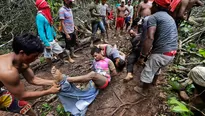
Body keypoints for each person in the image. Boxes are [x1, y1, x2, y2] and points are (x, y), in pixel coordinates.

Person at [0, 33, 60, 116]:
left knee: (25, 107)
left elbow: (33, 79)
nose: (36, 59)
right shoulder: (8, 71)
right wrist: (49, 91)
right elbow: (22, 95)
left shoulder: (21, 62)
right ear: (22, 53)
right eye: (35, 56)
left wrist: (55, 82)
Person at [51, 46, 117, 115]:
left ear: (100, 53)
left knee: (92, 74)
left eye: (96, 55)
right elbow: (94, 70)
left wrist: (108, 76)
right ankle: (64, 81)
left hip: (104, 80)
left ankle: (66, 78)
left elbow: (114, 73)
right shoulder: (94, 62)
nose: (95, 57)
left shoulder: (108, 61)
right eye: (93, 56)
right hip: (96, 80)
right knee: (84, 89)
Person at [134, 0, 178, 96]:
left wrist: (142, 55)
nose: (151, 7)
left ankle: (144, 90)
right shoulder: (170, 18)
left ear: (157, 5)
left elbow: (150, 38)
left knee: (149, 68)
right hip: (172, 52)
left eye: (153, 4)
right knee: (157, 65)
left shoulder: (154, 17)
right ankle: (154, 82)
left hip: (163, 52)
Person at [35, 0, 67, 65]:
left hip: (51, 39)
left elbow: (50, 26)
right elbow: (40, 31)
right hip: (46, 40)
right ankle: (51, 67)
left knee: (60, 51)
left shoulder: (46, 14)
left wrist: (54, 36)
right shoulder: (39, 16)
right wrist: (46, 43)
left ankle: (62, 61)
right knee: (48, 56)